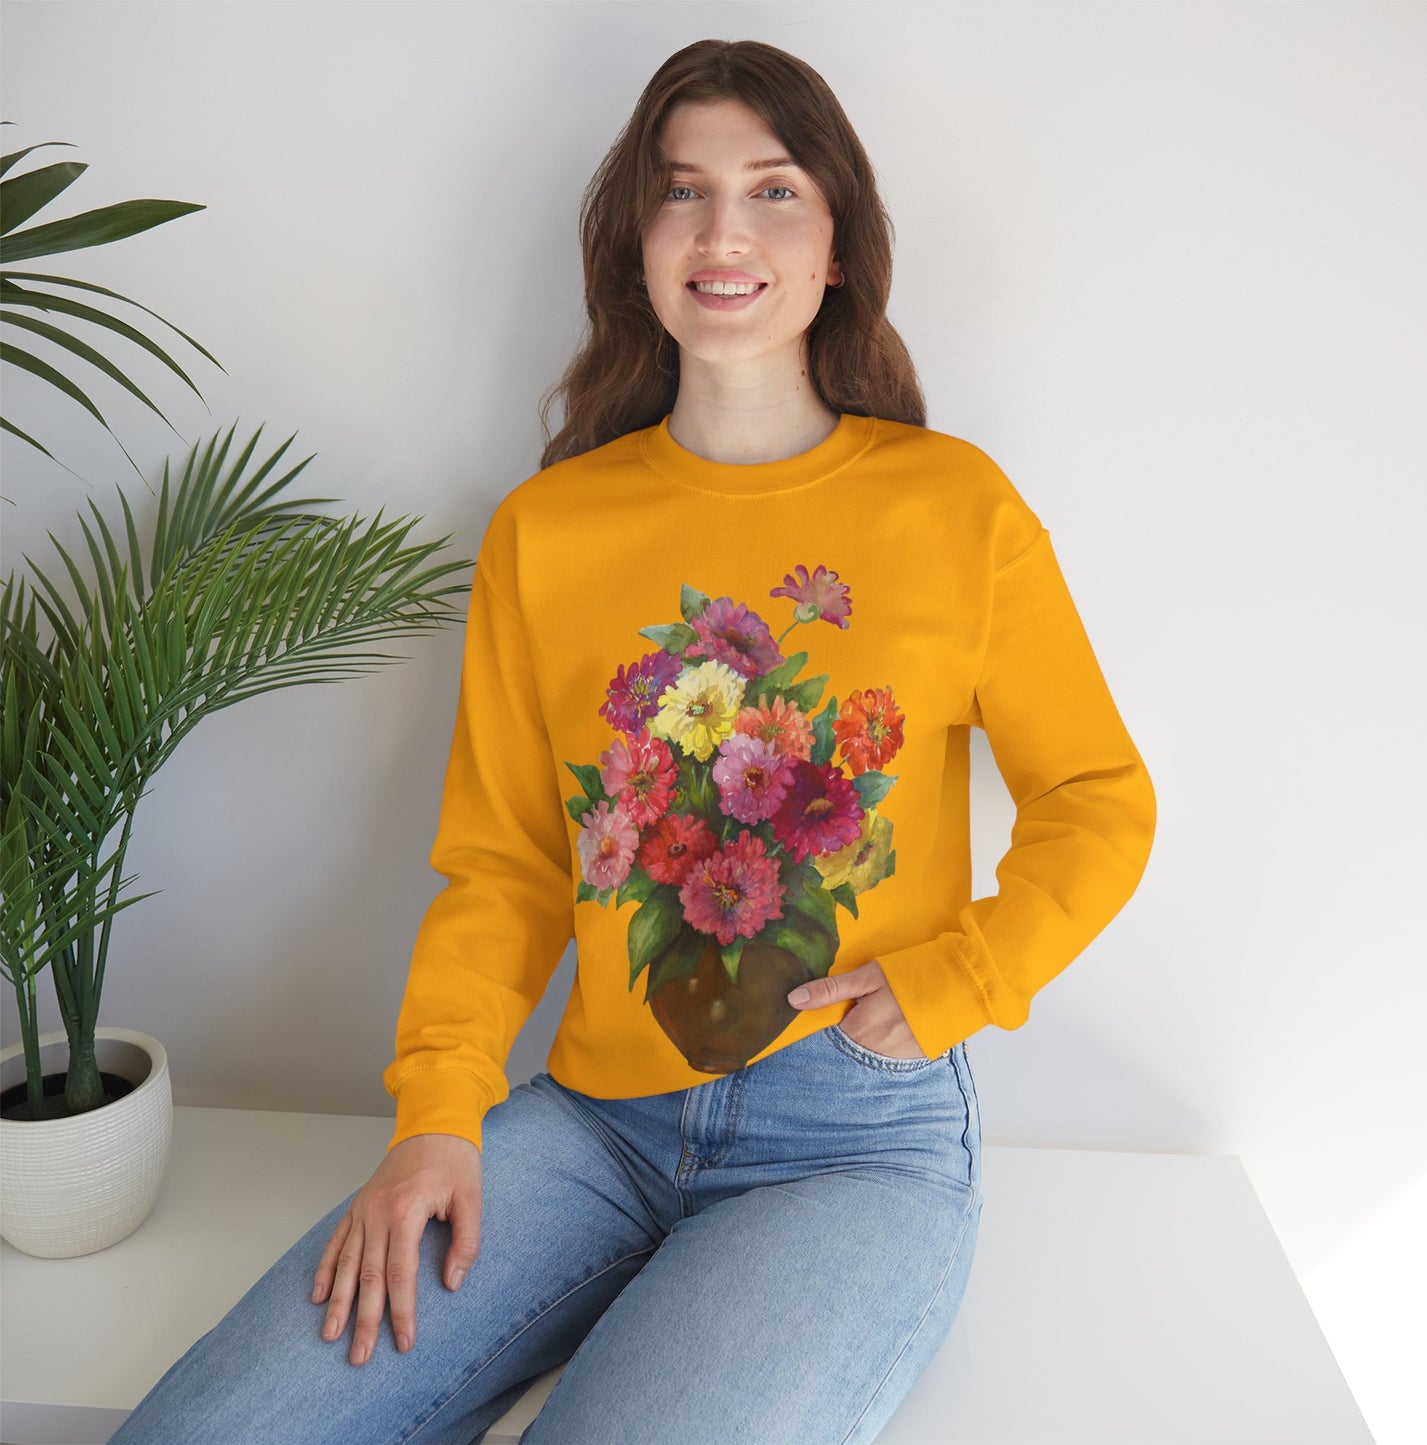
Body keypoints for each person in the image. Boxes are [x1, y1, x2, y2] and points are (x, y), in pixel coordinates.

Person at [110, 37, 1156, 1445]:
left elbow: (1097, 797)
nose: (723, 231)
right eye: (681, 192)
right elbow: (506, 867)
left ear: (837, 243)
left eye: (772, 190)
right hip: (593, 1121)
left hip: (851, 1139)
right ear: (637, 242)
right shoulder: (548, 530)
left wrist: (959, 973)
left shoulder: (953, 508)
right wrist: (437, 1111)